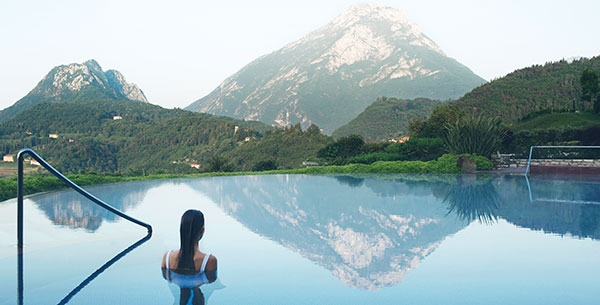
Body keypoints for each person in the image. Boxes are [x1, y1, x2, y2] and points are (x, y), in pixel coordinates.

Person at [162, 209, 218, 304]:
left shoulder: (167, 258)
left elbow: (166, 277)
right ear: (202, 230)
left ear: (181, 229)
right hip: (196, 296)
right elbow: (211, 280)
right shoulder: (209, 261)